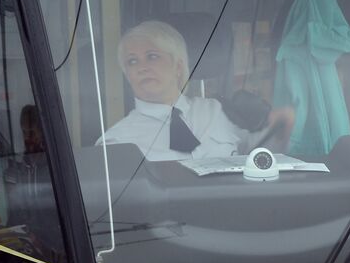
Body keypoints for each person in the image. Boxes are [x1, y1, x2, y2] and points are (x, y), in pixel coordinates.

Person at [100, 20, 291, 160]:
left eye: (152, 56)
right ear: (127, 74)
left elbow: (260, 153)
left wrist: (283, 124)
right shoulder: (116, 142)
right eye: (132, 61)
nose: (141, 67)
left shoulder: (218, 110)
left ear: (178, 66)